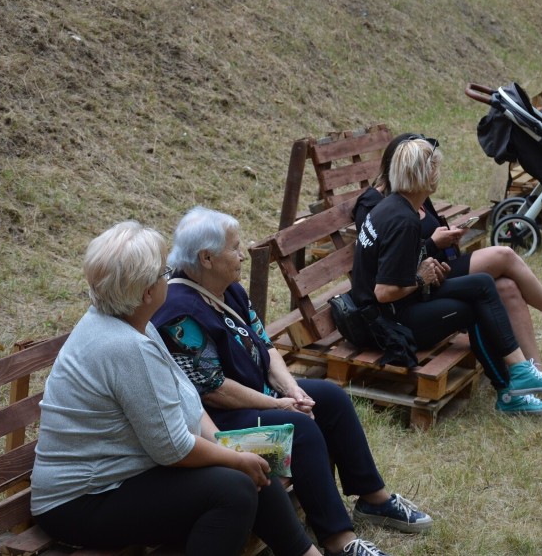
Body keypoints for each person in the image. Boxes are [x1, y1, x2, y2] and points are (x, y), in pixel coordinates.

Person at [151, 207, 432, 556]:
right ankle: (338, 540)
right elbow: (214, 389)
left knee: (330, 398)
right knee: (299, 427)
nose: (243, 254)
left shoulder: (228, 288)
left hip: (256, 396)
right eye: (235, 248)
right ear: (206, 258)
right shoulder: (179, 311)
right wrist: (278, 404)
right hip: (217, 421)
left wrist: (292, 389)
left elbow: (265, 346)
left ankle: (373, 498)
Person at [31, 221, 321, 556]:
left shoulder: (133, 324)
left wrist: (230, 449)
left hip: (122, 478)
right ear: (147, 293)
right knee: (234, 488)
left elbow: (188, 402)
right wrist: (235, 458)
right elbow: (171, 450)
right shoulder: (124, 346)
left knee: (245, 464)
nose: (170, 276)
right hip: (80, 502)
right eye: (163, 271)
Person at [354, 133, 542, 403]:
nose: (439, 173)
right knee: (474, 305)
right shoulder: (401, 217)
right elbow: (384, 291)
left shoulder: (398, 205)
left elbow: (394, 262)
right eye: (436, 167)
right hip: (386, 321)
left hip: (393, 306)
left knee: (487, 285)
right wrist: (421, 277)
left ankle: (524, 373)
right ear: (426, 173)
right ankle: (510, 392)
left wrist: (426, 262)